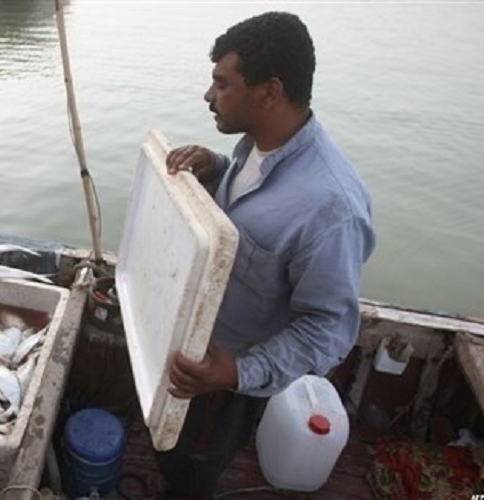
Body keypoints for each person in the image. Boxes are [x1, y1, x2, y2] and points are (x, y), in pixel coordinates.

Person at [158, 12, 376, 498]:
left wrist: (236, 372)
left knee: (193, 469)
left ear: (269, 91)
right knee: (166, 449)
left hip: (225, 381)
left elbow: (328, 330)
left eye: (222, 83)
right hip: (191, 337)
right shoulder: (252, 145)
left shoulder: (331, 209)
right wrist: (215, 167)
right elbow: (250, 209)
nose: (208, 96)